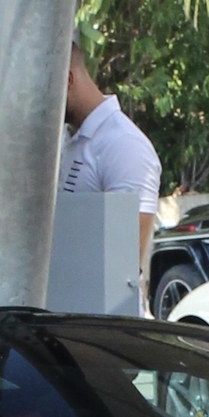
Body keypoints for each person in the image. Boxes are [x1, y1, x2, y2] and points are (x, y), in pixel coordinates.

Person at [60, 42, 162, 309]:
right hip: (62, 316)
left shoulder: (124, 145)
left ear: (68, 79)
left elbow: (125, 262)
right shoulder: (64, 140)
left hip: (104, 323)